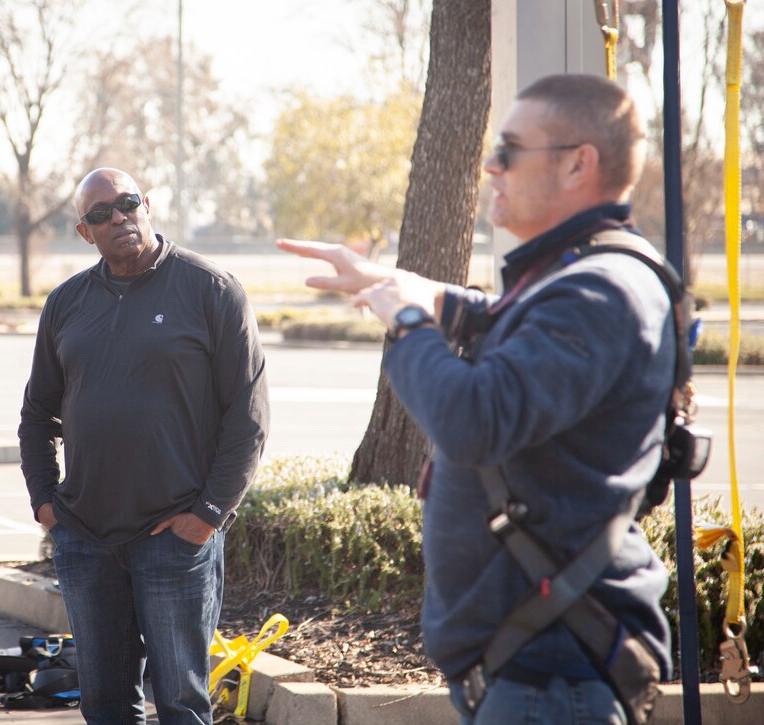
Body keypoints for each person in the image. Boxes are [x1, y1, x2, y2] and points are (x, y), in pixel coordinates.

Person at [278, 74, 673, 724]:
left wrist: (408, 326)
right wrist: (395, 283)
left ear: (580, 163)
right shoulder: (584, 278)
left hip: (552, 680)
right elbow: (511, 322)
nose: (491, 163)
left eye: (510, 149)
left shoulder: (600, 290)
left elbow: (473, 420)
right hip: (537, 673)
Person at [19, 167, 269, 723]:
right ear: (86, 232)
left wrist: (207, 515)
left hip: (174, 540)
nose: (119, 217)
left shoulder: (210, 289)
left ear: (148, 204)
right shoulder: (66, 303)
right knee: (104, 702)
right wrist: (44, 502)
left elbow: (248, 417)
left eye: (127, 202)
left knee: (180, 702)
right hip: (84, 539)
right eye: (101, 214)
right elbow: (37, 412)